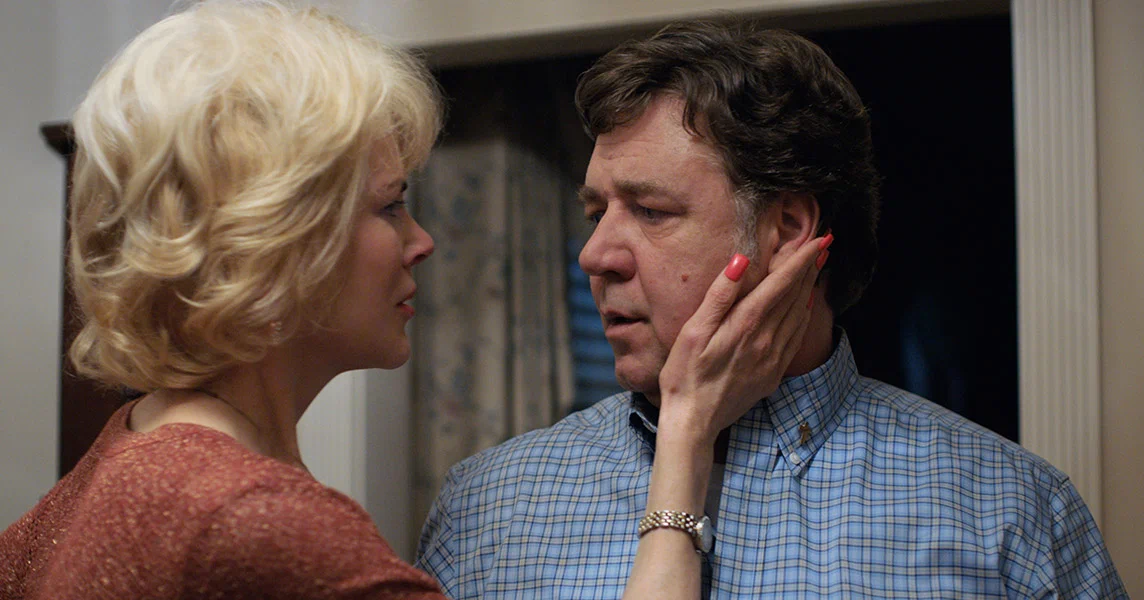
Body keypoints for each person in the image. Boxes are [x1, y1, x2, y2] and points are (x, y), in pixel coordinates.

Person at [0, 3, 826, 599]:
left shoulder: (102, 473)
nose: (421, 240)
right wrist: (685, 439)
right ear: (282, 239)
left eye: (651, 210)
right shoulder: (259, 520)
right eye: (391, 205)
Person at [415, 20, 1129, 599]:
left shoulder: (1008, 510)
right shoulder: (490, 507)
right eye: (596, 212)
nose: (595, 255)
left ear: (787, 229)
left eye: (651, 211)